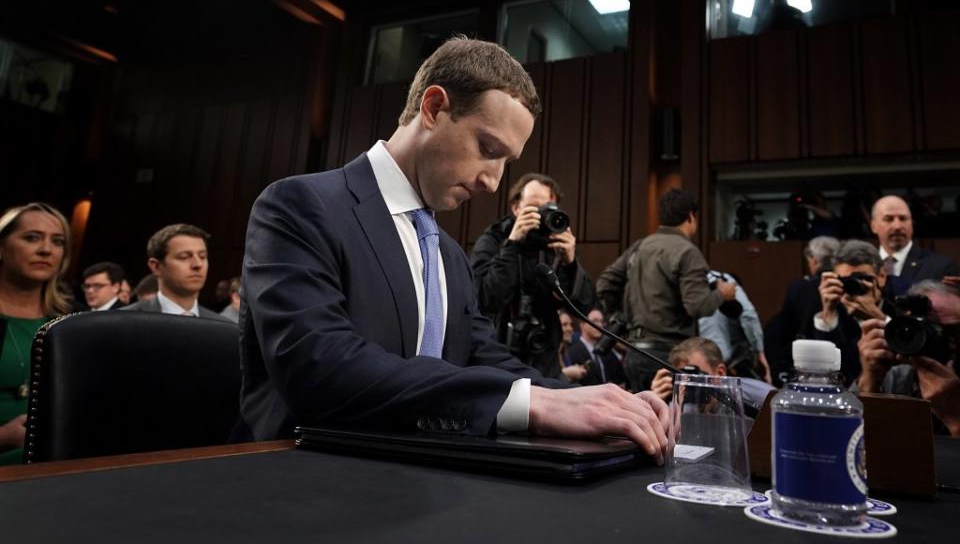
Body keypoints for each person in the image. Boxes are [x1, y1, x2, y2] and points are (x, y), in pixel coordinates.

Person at [235, 37, 669, 459]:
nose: (493, 181)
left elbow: (481, 357)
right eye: (487, 148)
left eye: (505, 162)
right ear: (434, 107)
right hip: (298, 473)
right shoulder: (300, 205)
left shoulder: (447, 252)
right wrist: (529, 405)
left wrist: (595, 400)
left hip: (418, 480)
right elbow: (320, 368)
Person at [470, 173, 594, 378]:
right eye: (535, 206)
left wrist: (570, 264)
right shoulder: (494, 239)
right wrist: (512, 245)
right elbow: (484, 298)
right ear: (516, 207)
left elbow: (584, 306)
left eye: (548, 208)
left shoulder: (555, 245)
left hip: (544, 359)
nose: (542, 213)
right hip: (496, 357)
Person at [610, 189, 736, 391]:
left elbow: (605, 285)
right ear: (691, 216)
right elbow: (698, 306)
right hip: (670, 356)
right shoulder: (687, 252)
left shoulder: (638, 247)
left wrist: (622, 317)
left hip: (634, 352)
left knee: (641, 418)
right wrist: (723, 294)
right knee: (670, 420)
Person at [0, 203, 73, 465]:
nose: (45, 249)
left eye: (57, 242)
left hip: (59, 464)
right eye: (31, 238)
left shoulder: (74, 320)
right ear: (2, 246)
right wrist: (4, 436)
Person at [854, 280, 960, 436]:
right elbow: (848, 439)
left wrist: (954, 418)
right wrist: (869, 380)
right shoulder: (896, 375)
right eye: (926, 328)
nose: (935, 337)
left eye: (950, 331)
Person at [814, 240, 894, 385]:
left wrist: (878, 318)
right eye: (846, 280)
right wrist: (828, 314)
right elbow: (824, 374)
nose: (854, 285)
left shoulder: (899, 305)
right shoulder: (833, 308)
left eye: (862, 278)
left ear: (881, 277)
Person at [765, 236, 840, 384]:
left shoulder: (800, 287)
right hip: (837, 361)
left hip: (802, 360)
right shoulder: (844, 287)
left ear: (813, 259)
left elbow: (786, 325)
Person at [122, 224, 224, 320]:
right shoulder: (123, 321)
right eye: (184, 257)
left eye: (202, 257)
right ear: (156, 266)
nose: (198, 264)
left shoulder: (224, 327)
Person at [871, 195, 959, 295]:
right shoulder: (861, 266)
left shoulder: (940, 267)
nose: (897, 226)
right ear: (873, 226)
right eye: (889, 219)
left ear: (912, 224)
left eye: (903, 219)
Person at [697, 271, 770, 382]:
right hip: (723, 360)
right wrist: (759, 351)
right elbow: (748, 316)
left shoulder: (688, 280)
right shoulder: (724, 279)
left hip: (691, 356)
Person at [563, 308, 626, 387]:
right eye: (595, 321)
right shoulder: (572, 352)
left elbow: (620, 379)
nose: (599, 325)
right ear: (583, 324)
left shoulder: (607, 353)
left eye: (601, 321)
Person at [650, 337, 727, 401]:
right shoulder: (670, 407)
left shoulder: (736, 411)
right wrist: (655, 405)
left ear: (720, 373)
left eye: (692, 375)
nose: (686, 385)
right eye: (680, 378)